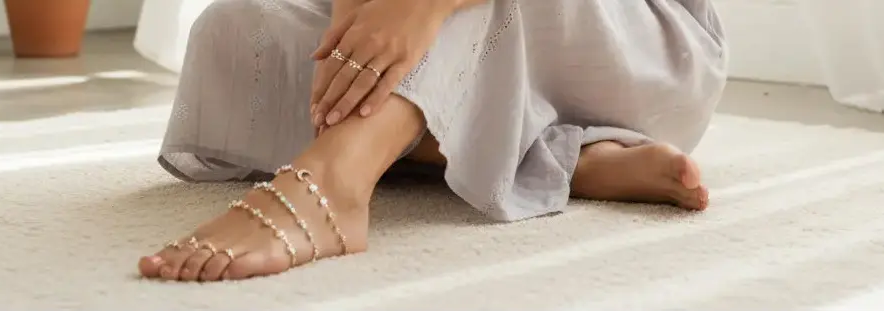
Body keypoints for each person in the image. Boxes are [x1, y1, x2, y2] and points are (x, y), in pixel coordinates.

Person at [137, 0, 728, 282]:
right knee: (239, 28)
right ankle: (558, 160)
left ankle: (334, 181)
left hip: (634, 35)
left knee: (464, 18)